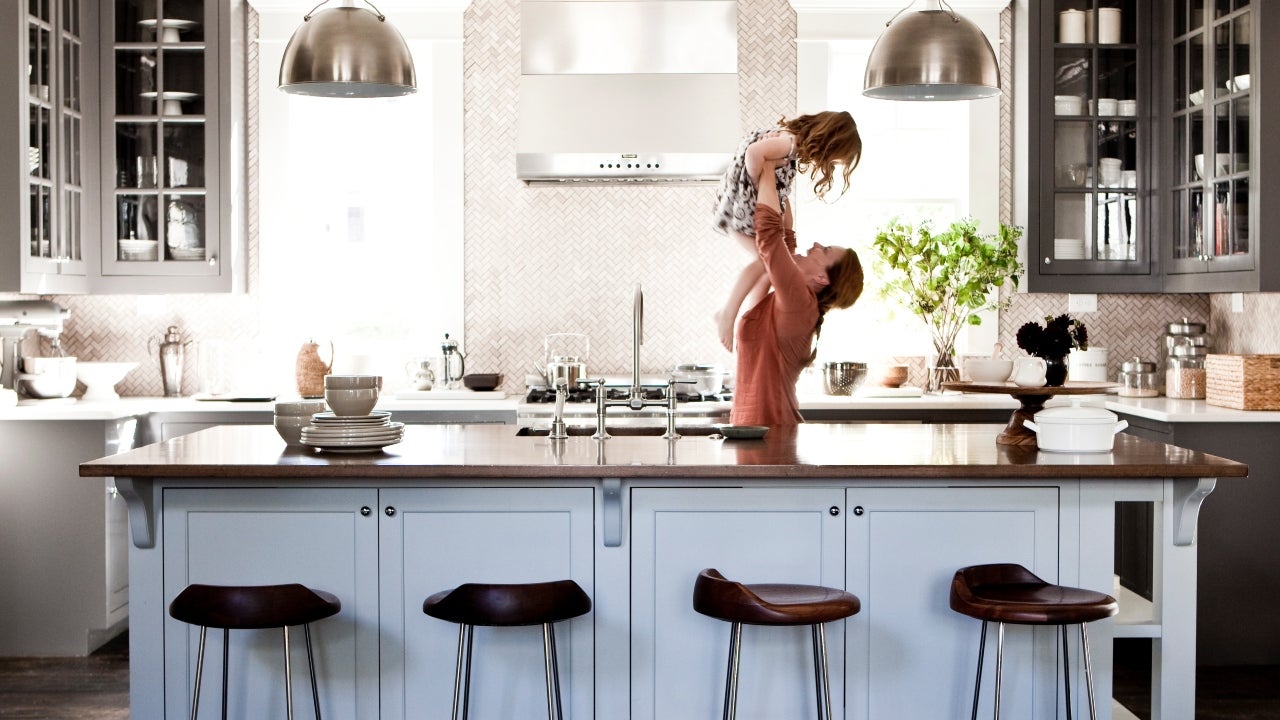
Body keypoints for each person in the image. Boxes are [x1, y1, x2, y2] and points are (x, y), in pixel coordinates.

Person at [730, 155, 864, 427]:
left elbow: (770, 239)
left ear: (822, 278)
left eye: (824, 251)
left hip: (772, 441)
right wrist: (779, 180)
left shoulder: (800, 304)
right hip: (757, 437)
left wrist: (766, 165)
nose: (815, 244)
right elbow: (782, 240)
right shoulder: (790, 300)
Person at [712, 110, 863, 351]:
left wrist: (776, 202)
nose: (829, 164)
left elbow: (772, 176)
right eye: (834, 160)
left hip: (741, 206)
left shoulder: (791, 142)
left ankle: (747, 323)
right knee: (765, 263)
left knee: (767, 269)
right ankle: (727, 314)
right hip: (741, 210)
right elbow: (753, 153)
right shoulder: (789, 144)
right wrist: (757, 182)